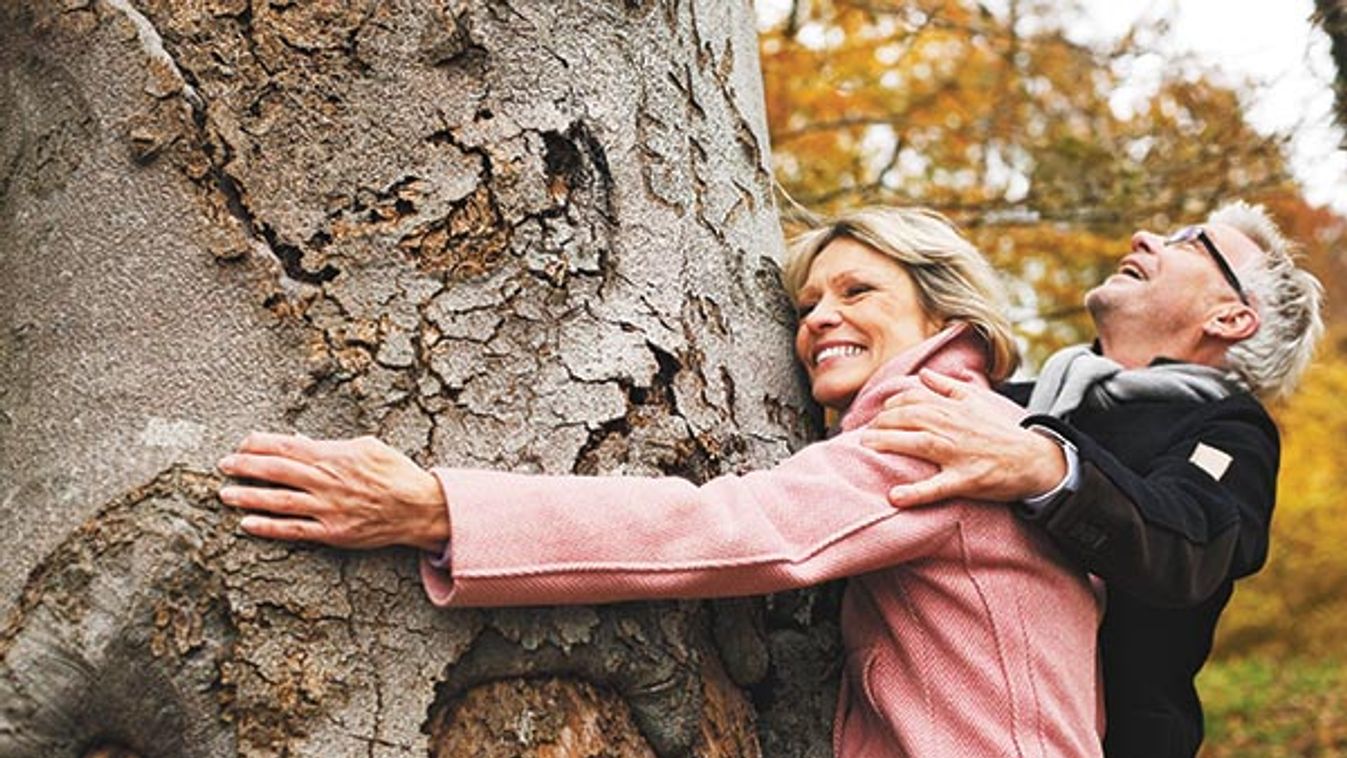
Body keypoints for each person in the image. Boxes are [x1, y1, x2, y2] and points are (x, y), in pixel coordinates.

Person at [217, 207, 1105, 757]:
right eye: (806, 306)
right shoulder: (981, 426)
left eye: (858, 291)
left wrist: (437, 507)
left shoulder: (938, 428)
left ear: (944, 314)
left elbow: (734, 530)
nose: (821, 318)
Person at [859, 200, 1325, 758]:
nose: (1145, 236)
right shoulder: (1008, 404)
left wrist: (1051, 470)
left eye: (1189, 242)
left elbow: (1189, 543)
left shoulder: (1230, 433)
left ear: (1229, 318)